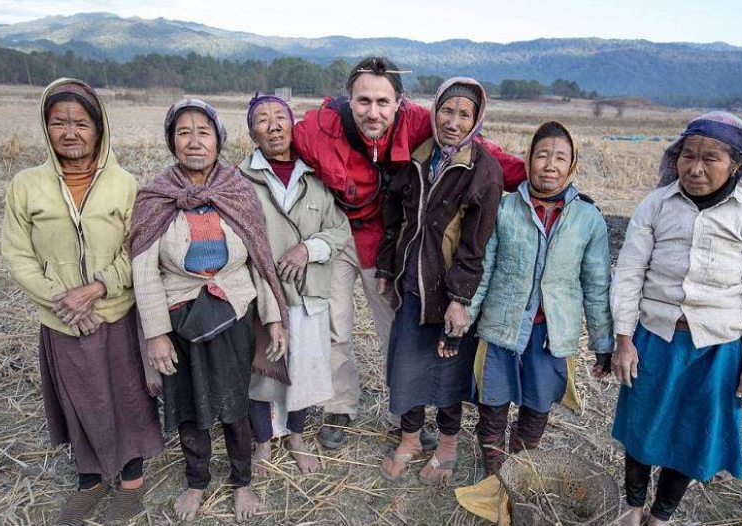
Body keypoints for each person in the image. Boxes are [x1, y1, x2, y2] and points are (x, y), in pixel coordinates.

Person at [292, 56, 526, 449]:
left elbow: (481, 151)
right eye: (363, 100)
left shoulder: (420, 121)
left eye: (383, 102)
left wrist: (539, 181)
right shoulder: (316, 129)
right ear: (348, 100)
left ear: (400, 102)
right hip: (332, 235)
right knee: (336, 325)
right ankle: (339, 405)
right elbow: (279, 149)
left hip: (383, 244)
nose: (373, 111)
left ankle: (403, 413)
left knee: (395, 331)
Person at [1, 78, 163, 526]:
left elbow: (139, 249)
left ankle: (131, 481)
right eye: (58, 123)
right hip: (61, 319)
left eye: (80, 123)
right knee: (80, 400)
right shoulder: (25, 185)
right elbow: (17, 253)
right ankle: (89, 481)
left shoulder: (125, 184)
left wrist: (96, 289)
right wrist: (62, 300)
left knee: (127, 397)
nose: (70, 132)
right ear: (46, 127)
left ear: (99, 129)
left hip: (114, 312)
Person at [610, 112, 742, 525]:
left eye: (710, 159)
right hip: (655, 337)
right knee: (641, 425)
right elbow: (629, 273)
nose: (695, 168)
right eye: (688, 156)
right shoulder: (657, 205)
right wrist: (623, 338)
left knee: (691, 437)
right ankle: (633, 507)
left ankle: (661, 515)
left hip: (717, 347)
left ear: (737, 165)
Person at [130, 99, 288, 523]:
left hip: (233, 309)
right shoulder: (156, 196)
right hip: (178, 314)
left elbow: (261, 259)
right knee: (187, 405)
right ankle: (196, 480)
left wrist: (272, 318)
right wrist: (156, 333)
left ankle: (242, 481)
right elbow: (143, 268)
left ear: (218, 140)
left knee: (235, 401)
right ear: (172, 142)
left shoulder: (237, 193)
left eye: (204, 131)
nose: (194, 140)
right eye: (184, 132)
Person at [466, 121, 614, 477]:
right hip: (502, 326)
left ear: (572, 165)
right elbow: (483, 271)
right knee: (492, 407)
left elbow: (596, 285)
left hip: (550, 335)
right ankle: (493, 475)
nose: (550, 164)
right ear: (529, 160)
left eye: (560, 157)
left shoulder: (588, 219)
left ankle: (517, 470)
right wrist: (462, 322)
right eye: (542, 155)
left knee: (537, 409)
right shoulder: (504, 209)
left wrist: (603, 344)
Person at [375, 78, 503, 485]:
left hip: (449, 295)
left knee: (448, 373)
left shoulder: (483, 170)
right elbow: (393, 215)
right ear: (434, 112)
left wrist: (460, 298)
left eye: (464, 114)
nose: (453, 121)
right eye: (447, 110)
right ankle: (410, 439)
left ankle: (447, 447)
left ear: (476, 119)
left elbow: (474, 244)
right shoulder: (418, 158)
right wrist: (385, 269)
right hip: (412, 286)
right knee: (408, 368)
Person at [239, 94, 350, 474]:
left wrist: (309, 248)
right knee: (262, 369)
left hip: (307, 293)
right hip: (263, 295)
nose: (272, 126)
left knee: (303, 367)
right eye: (261, 120)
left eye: (279, 118)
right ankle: (264, 444)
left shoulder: (315, 176)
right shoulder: (241, 179)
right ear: (251, 132)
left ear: (292, 124)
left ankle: (298, 438)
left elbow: (340, 230)